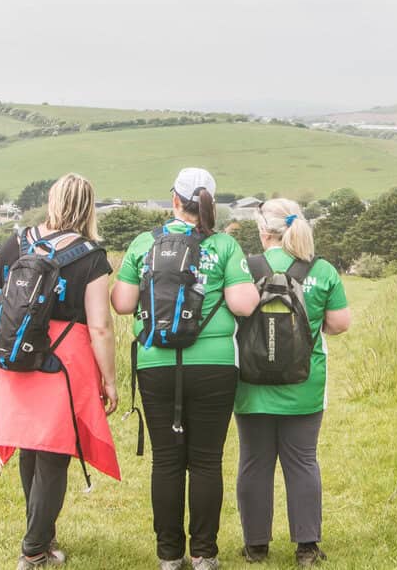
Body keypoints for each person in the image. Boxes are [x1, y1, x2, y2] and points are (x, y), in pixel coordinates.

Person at [111, 167, 259, 570]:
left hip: (155, 363)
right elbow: (245, 305)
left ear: (173, 199)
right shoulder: (225, 245)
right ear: (210, 203)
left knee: (167, 460)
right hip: (213, 365)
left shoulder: (144, 243)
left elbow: (122, 303)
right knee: (207, 460)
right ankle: (205, 554)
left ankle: (169, 555)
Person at [0, 173, 120, 569]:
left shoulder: (13, 244)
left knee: (30, 448)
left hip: (12, 358)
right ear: (89, 207)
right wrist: (109, 378)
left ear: (52, 201)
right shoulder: (91, 256)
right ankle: (34, 549)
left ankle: (41, 536)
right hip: (62, 364)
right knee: (54, 454)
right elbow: (100, 326)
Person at [234, 199, 351, 567]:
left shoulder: (245, 267)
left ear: (262, 231)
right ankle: (307, 547)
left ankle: (256, 546)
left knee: (254, 462)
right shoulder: (323, 270)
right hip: (305, 385)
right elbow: (340, 323)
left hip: (251, 386)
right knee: (302, 462)